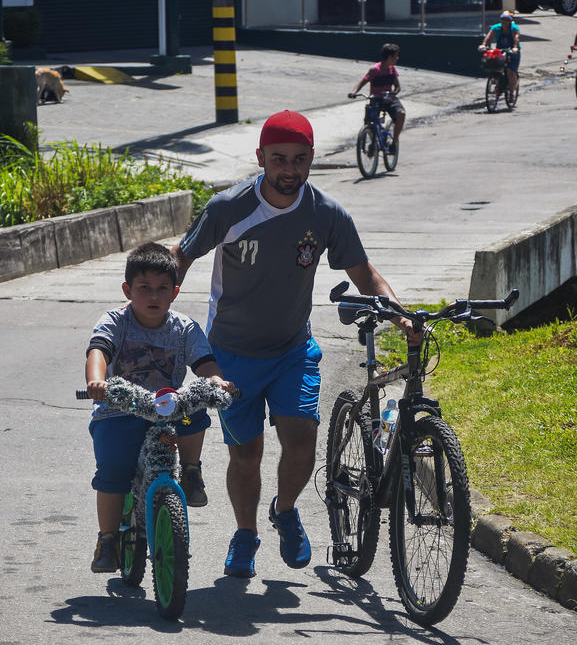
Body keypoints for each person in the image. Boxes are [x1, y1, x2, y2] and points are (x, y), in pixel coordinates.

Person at [170, 109, 418, 579]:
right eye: (279, 159)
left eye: (299, 160)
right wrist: (157, 312)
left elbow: (363, 274)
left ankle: (285, 511)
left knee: (302, 438)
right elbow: (180, 258)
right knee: (246, 454)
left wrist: (400, 313)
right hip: (230, 355)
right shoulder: (228, 207)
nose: (289, 170)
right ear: (260, 157)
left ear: (311, 160)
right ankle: (245, 533)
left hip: (291, 350)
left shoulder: (326, 214)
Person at [85, 242, 234, 573]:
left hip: (166, 408)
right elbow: (98, 351)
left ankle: (191, 471)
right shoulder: (115, 322)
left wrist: (217, 381)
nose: (153, 296)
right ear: (128, 289)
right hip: (120, 410)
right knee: (113, 473)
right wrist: (98, 382)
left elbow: (205, 363)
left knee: (195, 405)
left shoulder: (184, 328)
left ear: (175, 292)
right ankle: (108, 539)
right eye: (144, 288)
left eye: (162, 288)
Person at [348, 43, 406, 146]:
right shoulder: (375, 70)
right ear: (389, 57)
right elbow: (362, 82)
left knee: (401, 114)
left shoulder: (392, 70)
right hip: (376, 100)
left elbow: (397, 87)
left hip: (389, 99)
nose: (397, 58)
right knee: (369, 122)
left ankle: (393, 142)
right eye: (395, 56)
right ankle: (374, 141)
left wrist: (391, 96)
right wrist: (354, 92)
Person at [478, 10, 521, 101]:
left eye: (507, 20)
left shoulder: (514, 28)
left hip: (512, 51)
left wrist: (515, 47)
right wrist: (483, 45)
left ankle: (511, 93)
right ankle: (497, 83)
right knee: (494, 65)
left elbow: (516, 38)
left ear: (510, 21)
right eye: (503, 19)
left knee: (510, 71)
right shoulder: (496, 27)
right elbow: (488, 37)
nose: (504, 22)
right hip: (500, 50)